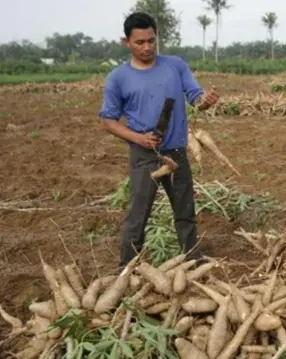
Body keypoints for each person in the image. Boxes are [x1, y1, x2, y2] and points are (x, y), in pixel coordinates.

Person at [98, 12, 219, 270]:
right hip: (145, 156)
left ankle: (193, 261)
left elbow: (196, 98)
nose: (147, 47)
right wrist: (138, 138)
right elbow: (109, 121)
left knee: (185, 212)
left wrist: (205, 102)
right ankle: (127, 270)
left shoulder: (175, 65)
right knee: (138, 215)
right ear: (126, 42)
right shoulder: (118, 78)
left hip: (176, 152)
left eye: (152, 41)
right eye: (140, 42)